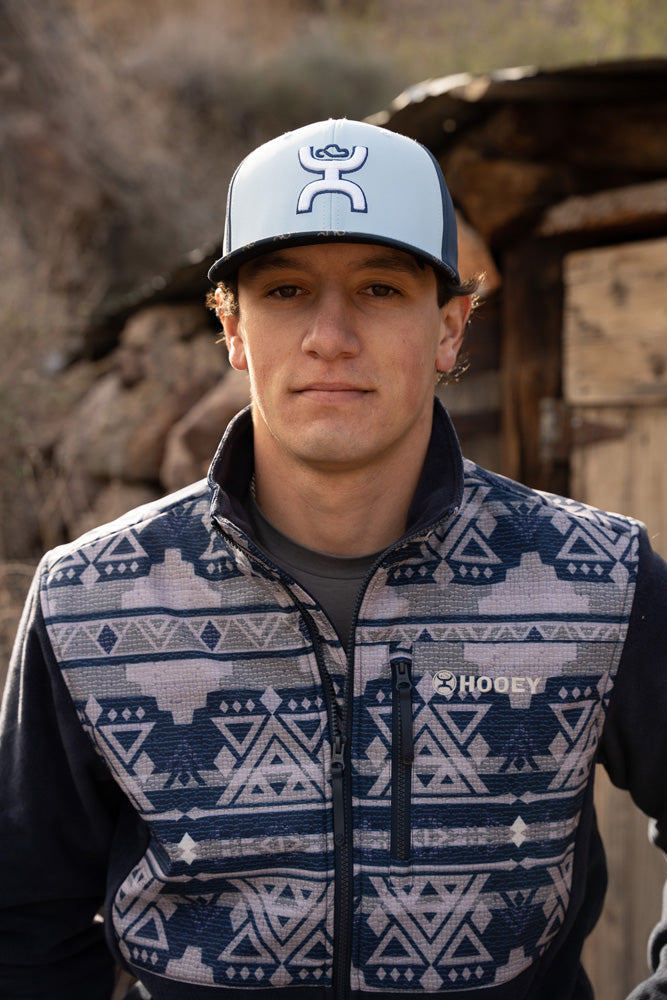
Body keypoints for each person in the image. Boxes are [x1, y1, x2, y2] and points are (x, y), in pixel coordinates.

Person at [1, 118, 666, 1000]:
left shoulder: (599, 576)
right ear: (232, 329)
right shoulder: (89, 598)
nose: (329, 335)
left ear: (449, 330)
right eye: (284, 290)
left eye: (380, 289)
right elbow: (23, 921)